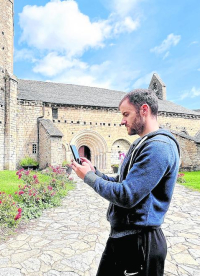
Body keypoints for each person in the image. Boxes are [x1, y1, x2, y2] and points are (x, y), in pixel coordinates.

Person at [71, 89, 180, 276]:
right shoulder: (144, 143)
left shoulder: (159, 147)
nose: (122, 120)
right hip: (124, 238)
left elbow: (126, 195)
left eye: (126, 114)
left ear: (144, 110)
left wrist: (88, 177)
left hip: (139, 245)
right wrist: (94, 172)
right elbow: (122, 183)